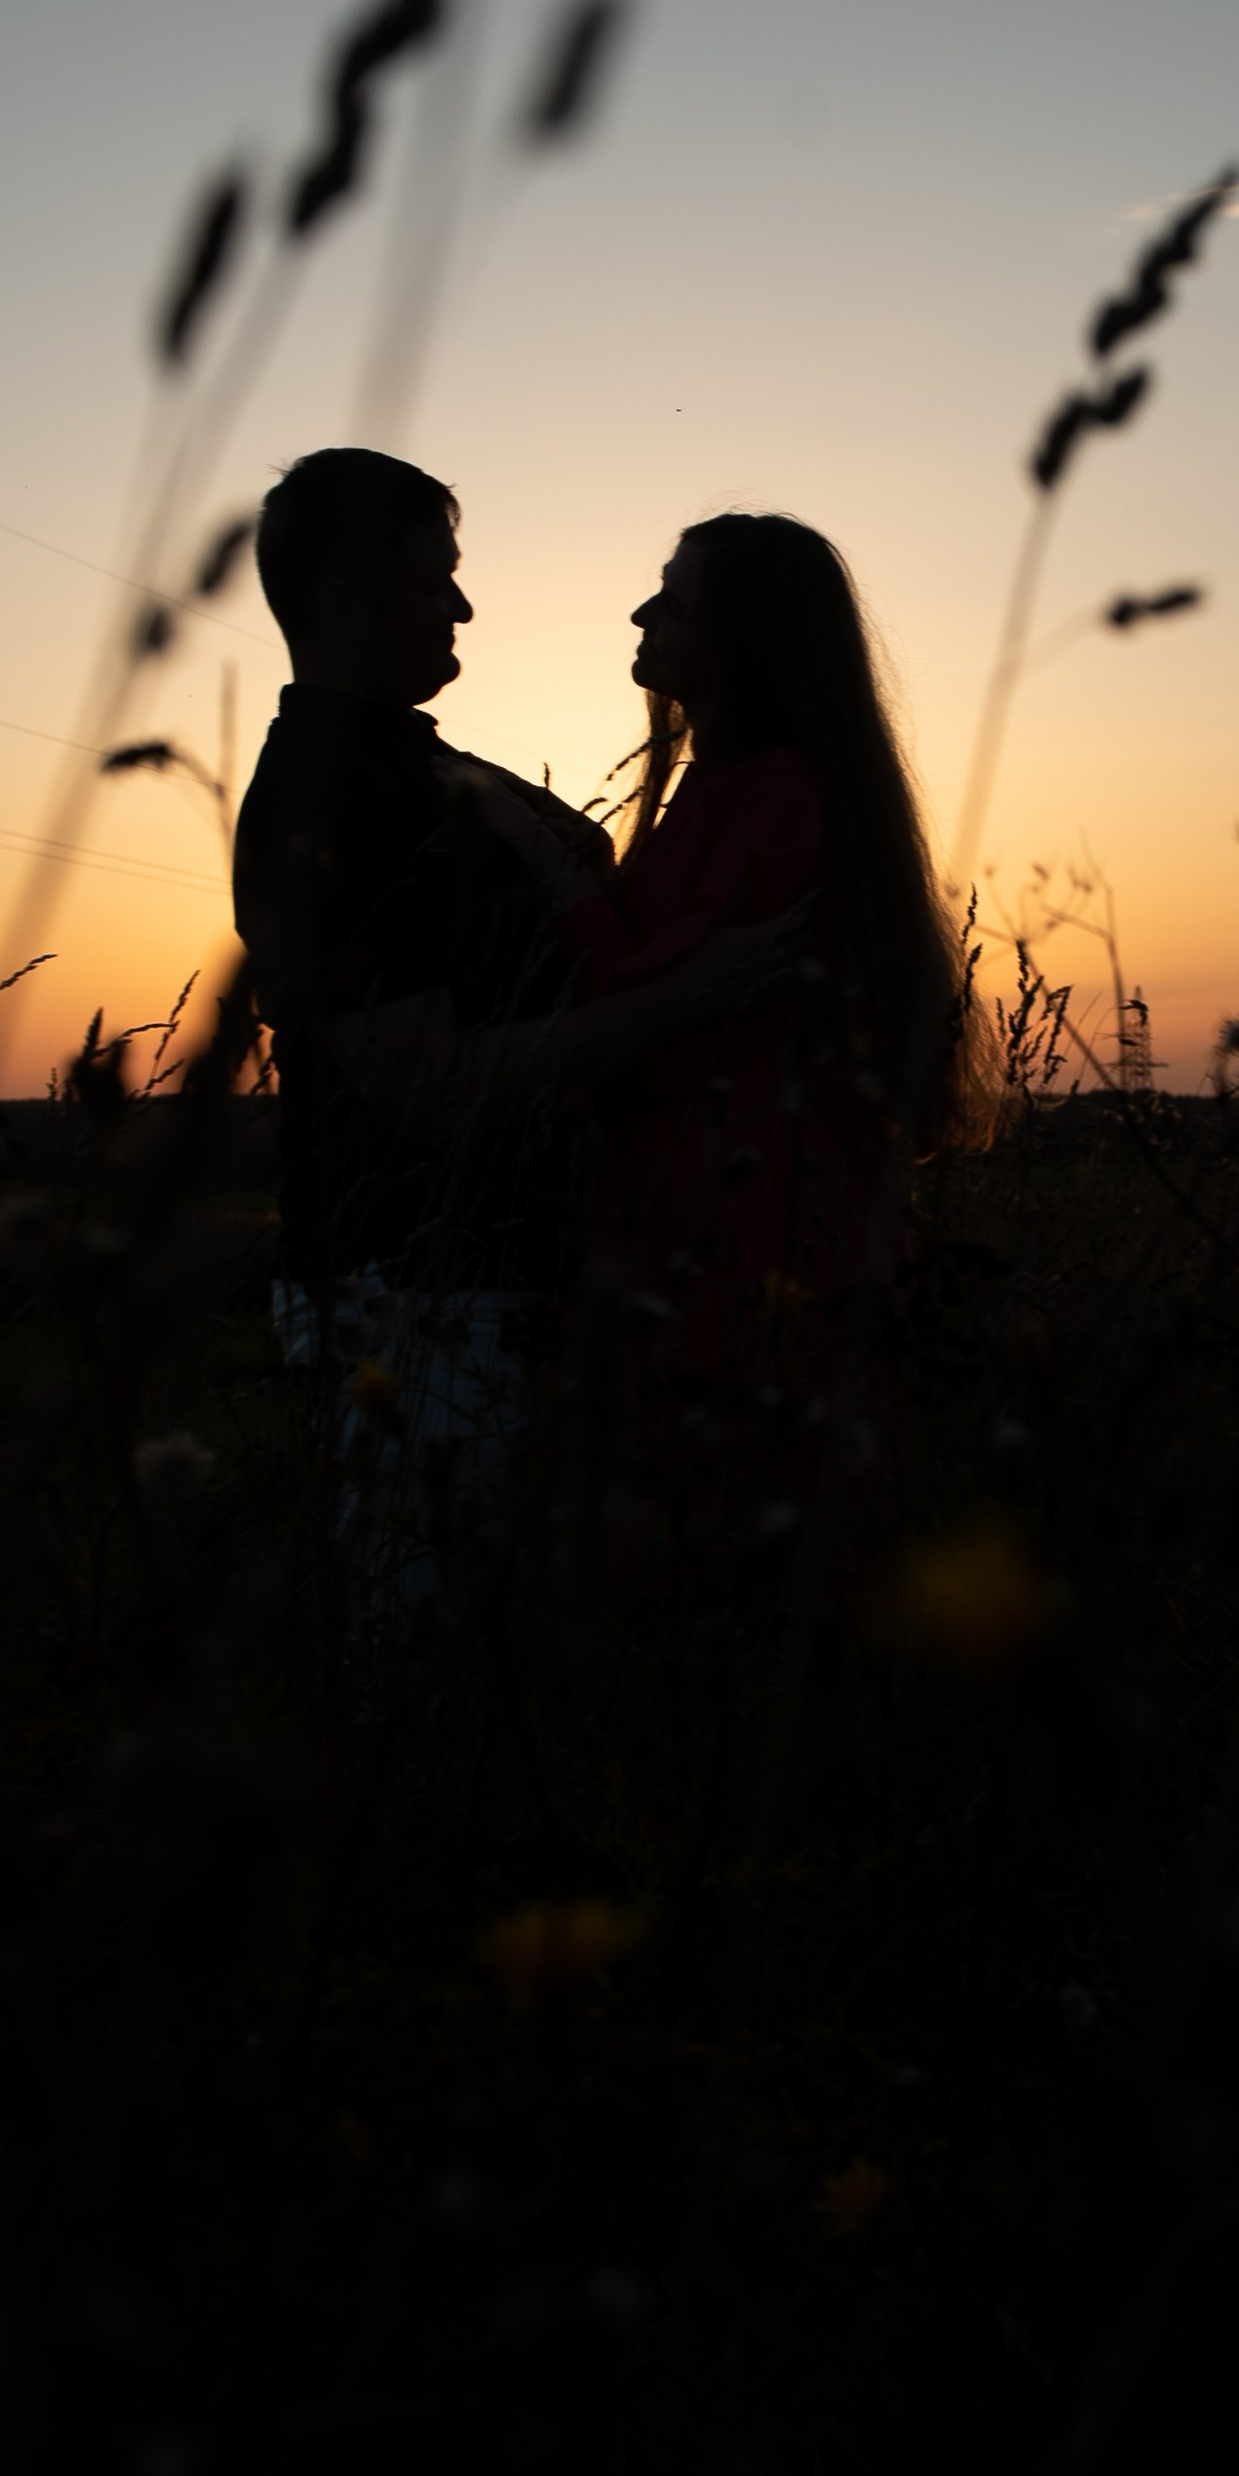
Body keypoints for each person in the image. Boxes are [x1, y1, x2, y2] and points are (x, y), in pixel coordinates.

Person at [229, 448, 796, 1614]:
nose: (463, 604)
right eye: (435, 577)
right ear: (341, 599)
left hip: (496, 1291)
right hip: (414, 1303)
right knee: (430, 1665)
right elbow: (431, 1090)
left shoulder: (418, 766)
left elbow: (579, 872)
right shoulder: (323, 803)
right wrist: (693, 997)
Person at [565, 512, 989, 1426]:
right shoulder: (721, 793)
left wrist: (563, 888)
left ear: (742, 638)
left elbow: (660, 1034)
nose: (643, 613)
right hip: (701, 1220)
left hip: (756, 1236)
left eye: (673, 603)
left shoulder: (785, 807)